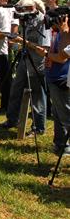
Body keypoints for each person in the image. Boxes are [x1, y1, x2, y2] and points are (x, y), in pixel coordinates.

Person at [0, 0, 50, 134]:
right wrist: (16, 43)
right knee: (16, 88)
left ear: (30, 8)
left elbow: (43, 49)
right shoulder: (27, 20)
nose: (20, 14)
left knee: (37, 95)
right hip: (24, 58)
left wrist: (23, 41)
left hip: (37, 62)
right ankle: (12, 120)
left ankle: (38, 127)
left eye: (22, 11)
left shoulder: (43, 21)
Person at [45, 15, 70, 156]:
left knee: (66, 116)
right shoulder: (57, 33)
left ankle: (64, 146)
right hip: (55, 76)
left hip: (62, 78)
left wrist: (46, 55)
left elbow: (61, 57)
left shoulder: (65, 33)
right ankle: (60, 144)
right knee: (58, 113)